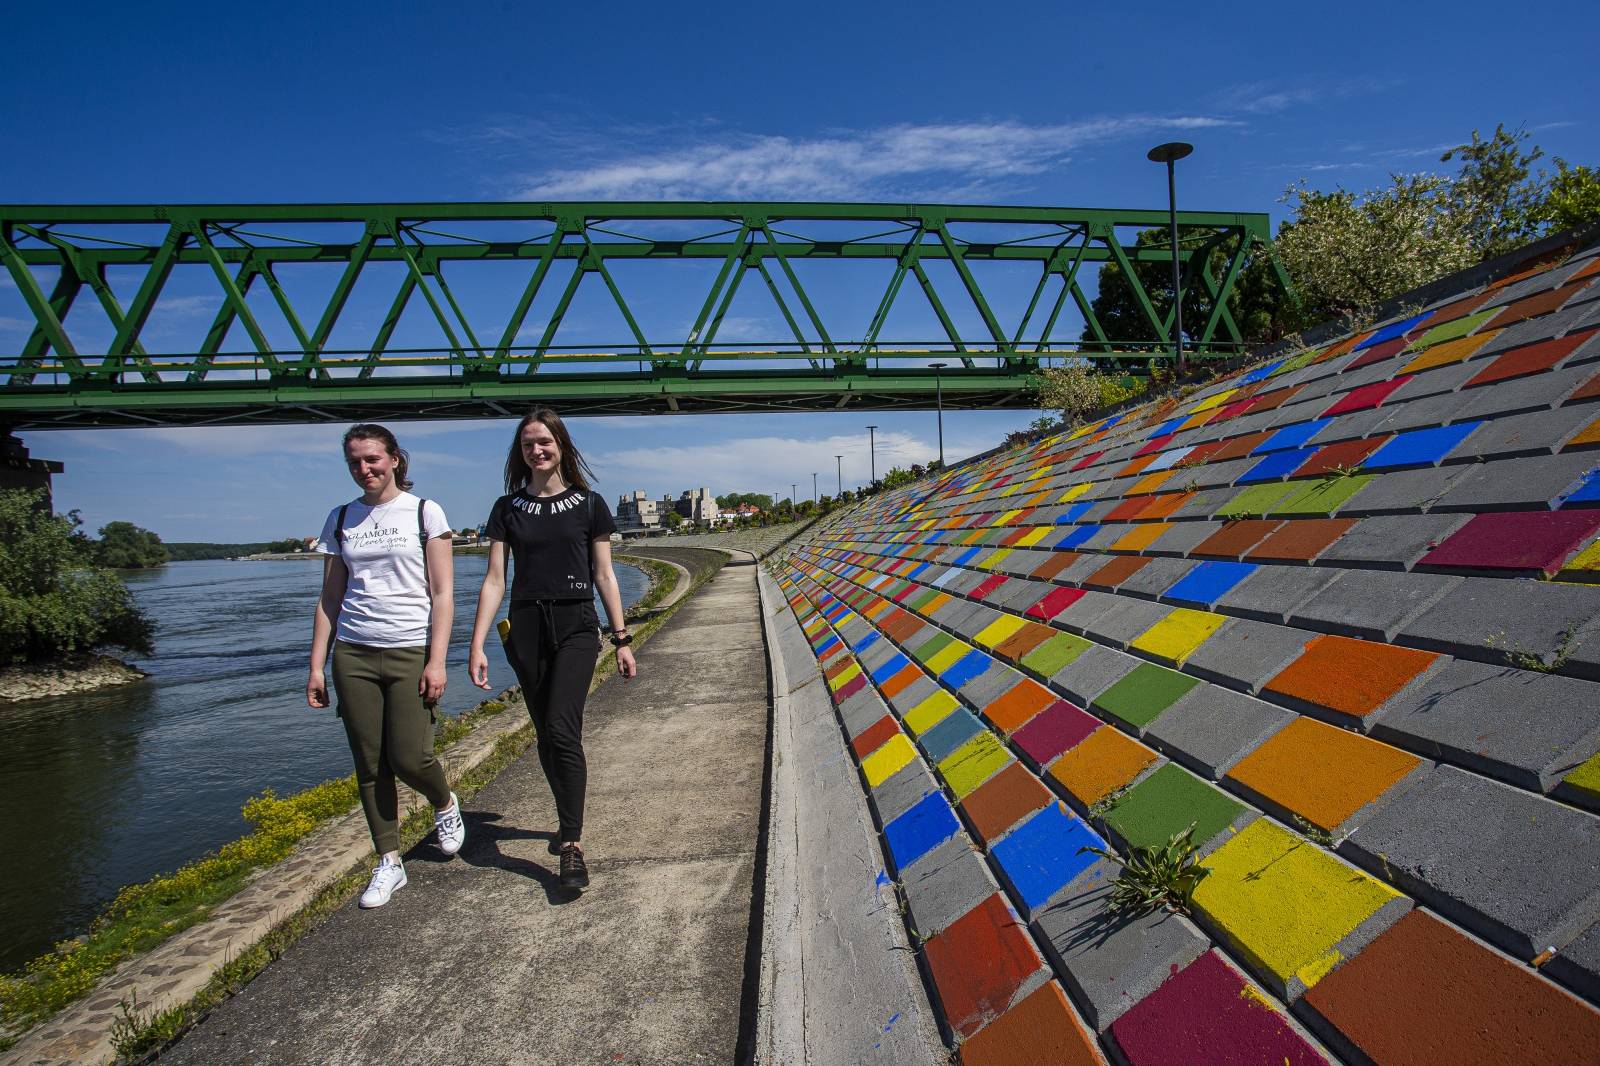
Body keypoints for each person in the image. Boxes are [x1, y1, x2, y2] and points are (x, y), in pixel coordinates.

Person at [469, 407, 638, 892]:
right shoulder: (507, 509)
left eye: (544, 442)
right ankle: (567, 817)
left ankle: (571, 844)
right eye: (527, 445)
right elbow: (495, 580)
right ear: (519, 454)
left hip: (576, 625)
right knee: (546, 734)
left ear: (561, 445)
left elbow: (604, 574)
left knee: (564, 729)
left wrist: (621, 638)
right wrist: (477, 643)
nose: (536, 451)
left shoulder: (589, 504)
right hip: (525, 627)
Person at [307, 423, 466, 909]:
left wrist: (437, 660)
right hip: (353, 653)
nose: (364, 469)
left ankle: (444, 802)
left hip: (408, 648)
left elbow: (442, 593)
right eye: (355, 461)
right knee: (370, 764)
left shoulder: (423, 511)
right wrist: (317, 665)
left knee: (410, 756)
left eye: (373, 459)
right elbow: (330, 597)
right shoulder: (340, 518)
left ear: (395, 459)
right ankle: (389, 861)